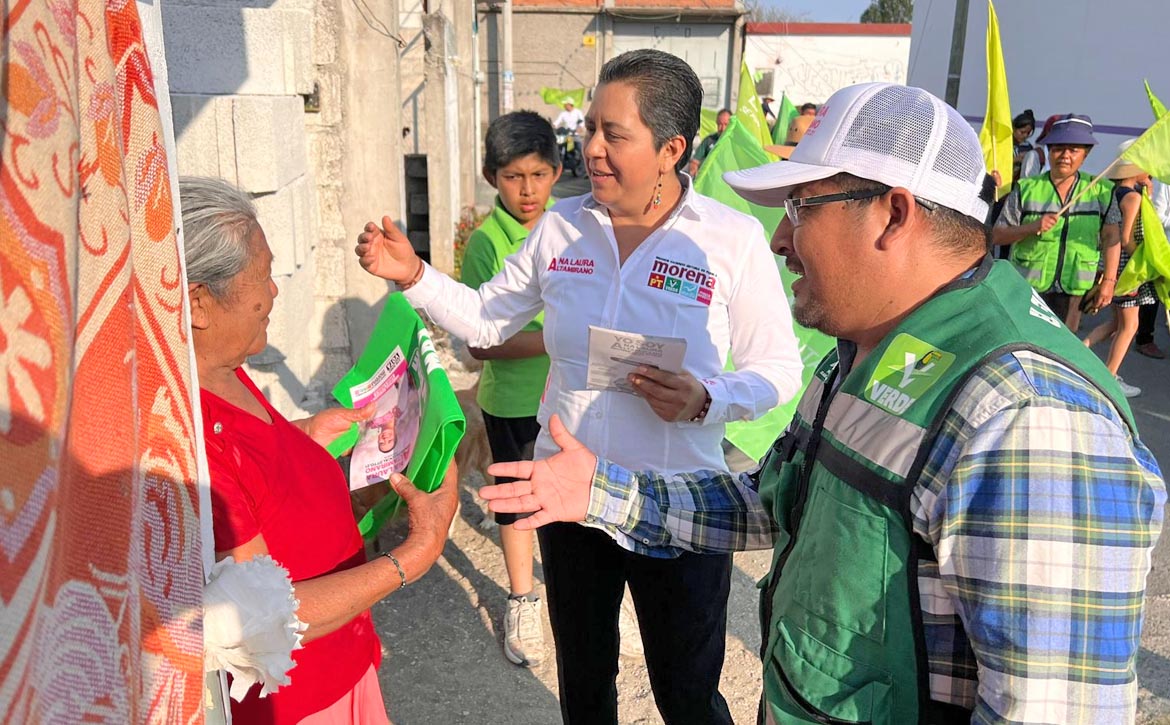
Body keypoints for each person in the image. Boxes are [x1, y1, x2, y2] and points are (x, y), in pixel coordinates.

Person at [478, 83, 1167, 724]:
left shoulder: (1031, 418)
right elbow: (775, 499)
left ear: (894, 214)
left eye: (801, 207)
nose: (779, 239)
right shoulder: (867, 352)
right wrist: (601, 491)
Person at [356, 48, 803, 725]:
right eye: (590, 126)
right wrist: (415, 272)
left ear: (671, 148)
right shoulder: (562, 229)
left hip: (678, 502)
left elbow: (780, 368)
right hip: (570, 496)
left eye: (613, 134)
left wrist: (705, 397)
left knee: (688, 693)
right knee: (585, 682)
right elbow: (484, 316)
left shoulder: (729, 240)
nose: (590, 148)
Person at [185, 176, 459, 724]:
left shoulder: (221, 368)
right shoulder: (197, 440)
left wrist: (305, 437)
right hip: (303, 699)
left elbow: (259, 474)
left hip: (343, 661)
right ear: (199, 304)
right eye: (262, 276)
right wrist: (416, 552)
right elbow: (261, 618)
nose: (275, 290)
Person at [460, 110, 560, 668]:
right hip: (514, 403)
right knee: (518, 509)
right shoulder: (486, 243)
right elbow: (480, 343)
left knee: (576, 502)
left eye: (539, 174)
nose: (528, 190)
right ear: (491, 176)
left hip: (572, 400)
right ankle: (523, 599)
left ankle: (583, 591)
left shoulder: (571, 227)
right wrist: (556, 340)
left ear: (557, 169)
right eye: (514, 177)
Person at [993, 114, 1121, 332]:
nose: (1065, 155)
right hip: (1028, 290)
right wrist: (1032, 227)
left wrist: (1109, 281)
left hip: (1074, 291)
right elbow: (996, 235)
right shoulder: (1026, 188)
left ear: (1086, 154)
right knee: (1026, 341)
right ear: (1049, 150)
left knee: (1061, 349)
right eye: (1058, 148)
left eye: (1074, 150)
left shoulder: (1101, 191)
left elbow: (1112, 237)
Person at [1083, 143, 1157, 396]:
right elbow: (1126, 238)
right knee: (1130, 327)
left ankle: (1079, 351)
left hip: (1113, 265)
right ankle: (1109, 378)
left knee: (1116, 323)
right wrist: (1146, 263)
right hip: (1128, 269)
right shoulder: (1133, 197)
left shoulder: (1117, 191)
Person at [689, 107, 731, 176]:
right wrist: (693, 170)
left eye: (726, 124)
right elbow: (695, 161)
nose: (722, 128)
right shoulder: (709, 140)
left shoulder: (736, 142)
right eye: (720, 124)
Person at [1011, 108, 1044, 182]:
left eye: (1028, 133)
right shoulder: (1005, 144)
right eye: (1022, 132)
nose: (1025, 135)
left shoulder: (1028, 146)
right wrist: (1015, 160)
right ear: (1014, 128)